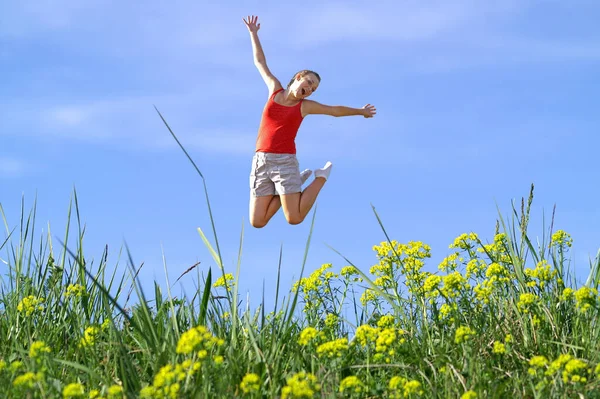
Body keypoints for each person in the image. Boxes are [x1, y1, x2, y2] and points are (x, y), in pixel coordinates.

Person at [244, 15, 376, 228]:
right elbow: (260, 62)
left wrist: (360, 111)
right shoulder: (274, 90)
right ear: (298, 77)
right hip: (260, 162)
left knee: (294, 218)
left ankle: (320, 177)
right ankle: (297, 182)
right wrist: (253, 34)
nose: (310, 89)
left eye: (313, 88)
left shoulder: (304, 106)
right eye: (309, 82)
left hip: (284, 162)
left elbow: (334, 111)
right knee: (257, 222)